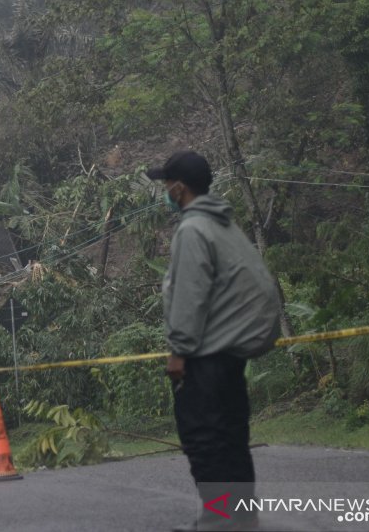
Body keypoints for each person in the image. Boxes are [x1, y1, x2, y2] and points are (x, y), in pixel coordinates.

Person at [147, 151, 280, 532]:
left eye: (166, 186)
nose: (165, 193)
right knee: (232, 435)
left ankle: (219, 517)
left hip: (205, 354)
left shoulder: (193, 229)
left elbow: (190, 295)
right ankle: (240, 517)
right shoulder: (224, 225)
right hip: (230, 353)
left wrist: (179, 352)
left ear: (179, 188)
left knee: (203, 436)